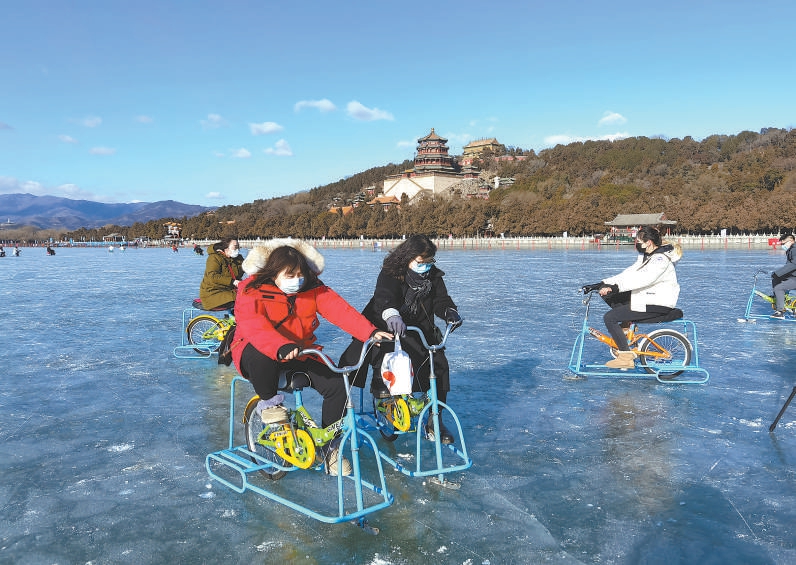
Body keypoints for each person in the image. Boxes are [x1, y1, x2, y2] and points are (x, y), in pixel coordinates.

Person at [230, 239, 392, 475]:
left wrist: (370, 332)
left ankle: (330, 449)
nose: (297, 280)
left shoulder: (313, 289)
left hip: (300, 350)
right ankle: (271, 410)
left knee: (338, 384)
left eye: (300, 274)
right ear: (274, 274)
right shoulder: (251, 291)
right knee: (261, 356)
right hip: (256, 349)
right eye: (290, 275)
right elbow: (255, 326)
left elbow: (341, 311)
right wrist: (280, 345)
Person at [339, 234, 462, 444]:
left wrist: (450, 312)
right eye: (421, 262)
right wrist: (391, 314)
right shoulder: (391, 274)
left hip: (418, 328)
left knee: (438, 365)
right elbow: (383, 296)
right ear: (408, 258)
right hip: (384, 324)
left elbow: (441, 300)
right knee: (385, 354)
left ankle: (435, 419)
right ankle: (378, 396)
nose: (426, 267)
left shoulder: (433, 278)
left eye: (429, 262)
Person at [583, 226, 682, 369]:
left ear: (648, 242)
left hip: (657, 303)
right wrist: (600, 284)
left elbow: (643, 279)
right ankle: (626, 329)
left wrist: (615, 287)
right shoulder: (646, 257)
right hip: (646, 299)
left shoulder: (660, 260)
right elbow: (627, 275)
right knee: (612, 297)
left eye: (639, 241)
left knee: (609, 318)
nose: (637, 244)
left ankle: (625, 357)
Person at [198, 237, 244, 311]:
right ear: (226, 248)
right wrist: (233, 281)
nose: (237, 249)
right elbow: (212, 276)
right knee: (241, 298)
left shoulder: (237, 259)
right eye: (235, 247)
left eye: (238, 246)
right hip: (212, 293)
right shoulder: (214, 258)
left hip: (228, 290)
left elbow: (248, 267)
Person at [771, 233, 796, 319]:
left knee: (779, 287)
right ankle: (780, 298)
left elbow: (794, 264)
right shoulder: (790, 250)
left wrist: (778, 273)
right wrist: (778, 275)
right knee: (775, 279)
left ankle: (780, 312)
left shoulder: (794, 250)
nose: (782, 246)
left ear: (791, 241)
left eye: (783, 244)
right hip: (793, 276)